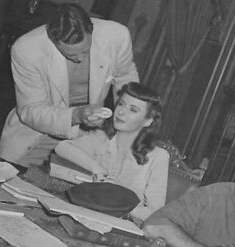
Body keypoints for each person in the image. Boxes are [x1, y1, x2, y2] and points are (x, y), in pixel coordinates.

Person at [0, 3, 139, 166]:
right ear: (53, 41)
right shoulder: (26, 49)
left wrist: (131, 119)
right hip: (38, 132)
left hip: (90, 133)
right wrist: (76, 116)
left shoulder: (117, 36)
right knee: (15, 177)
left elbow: (126, 79)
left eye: (85, 50)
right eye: (70, 54)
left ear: (92, 30)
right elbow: (31, 109)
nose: (79, 58)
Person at [55, 82, 168, 221]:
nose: (121, 112)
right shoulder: (102, 137)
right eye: (121, 104)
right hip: (85, 215)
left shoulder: (159, 157)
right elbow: (62, 147)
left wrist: (118, 197)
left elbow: (155, 215)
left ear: (148, 121)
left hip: (123, 224)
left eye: (133, 110)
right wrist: (98, 169)